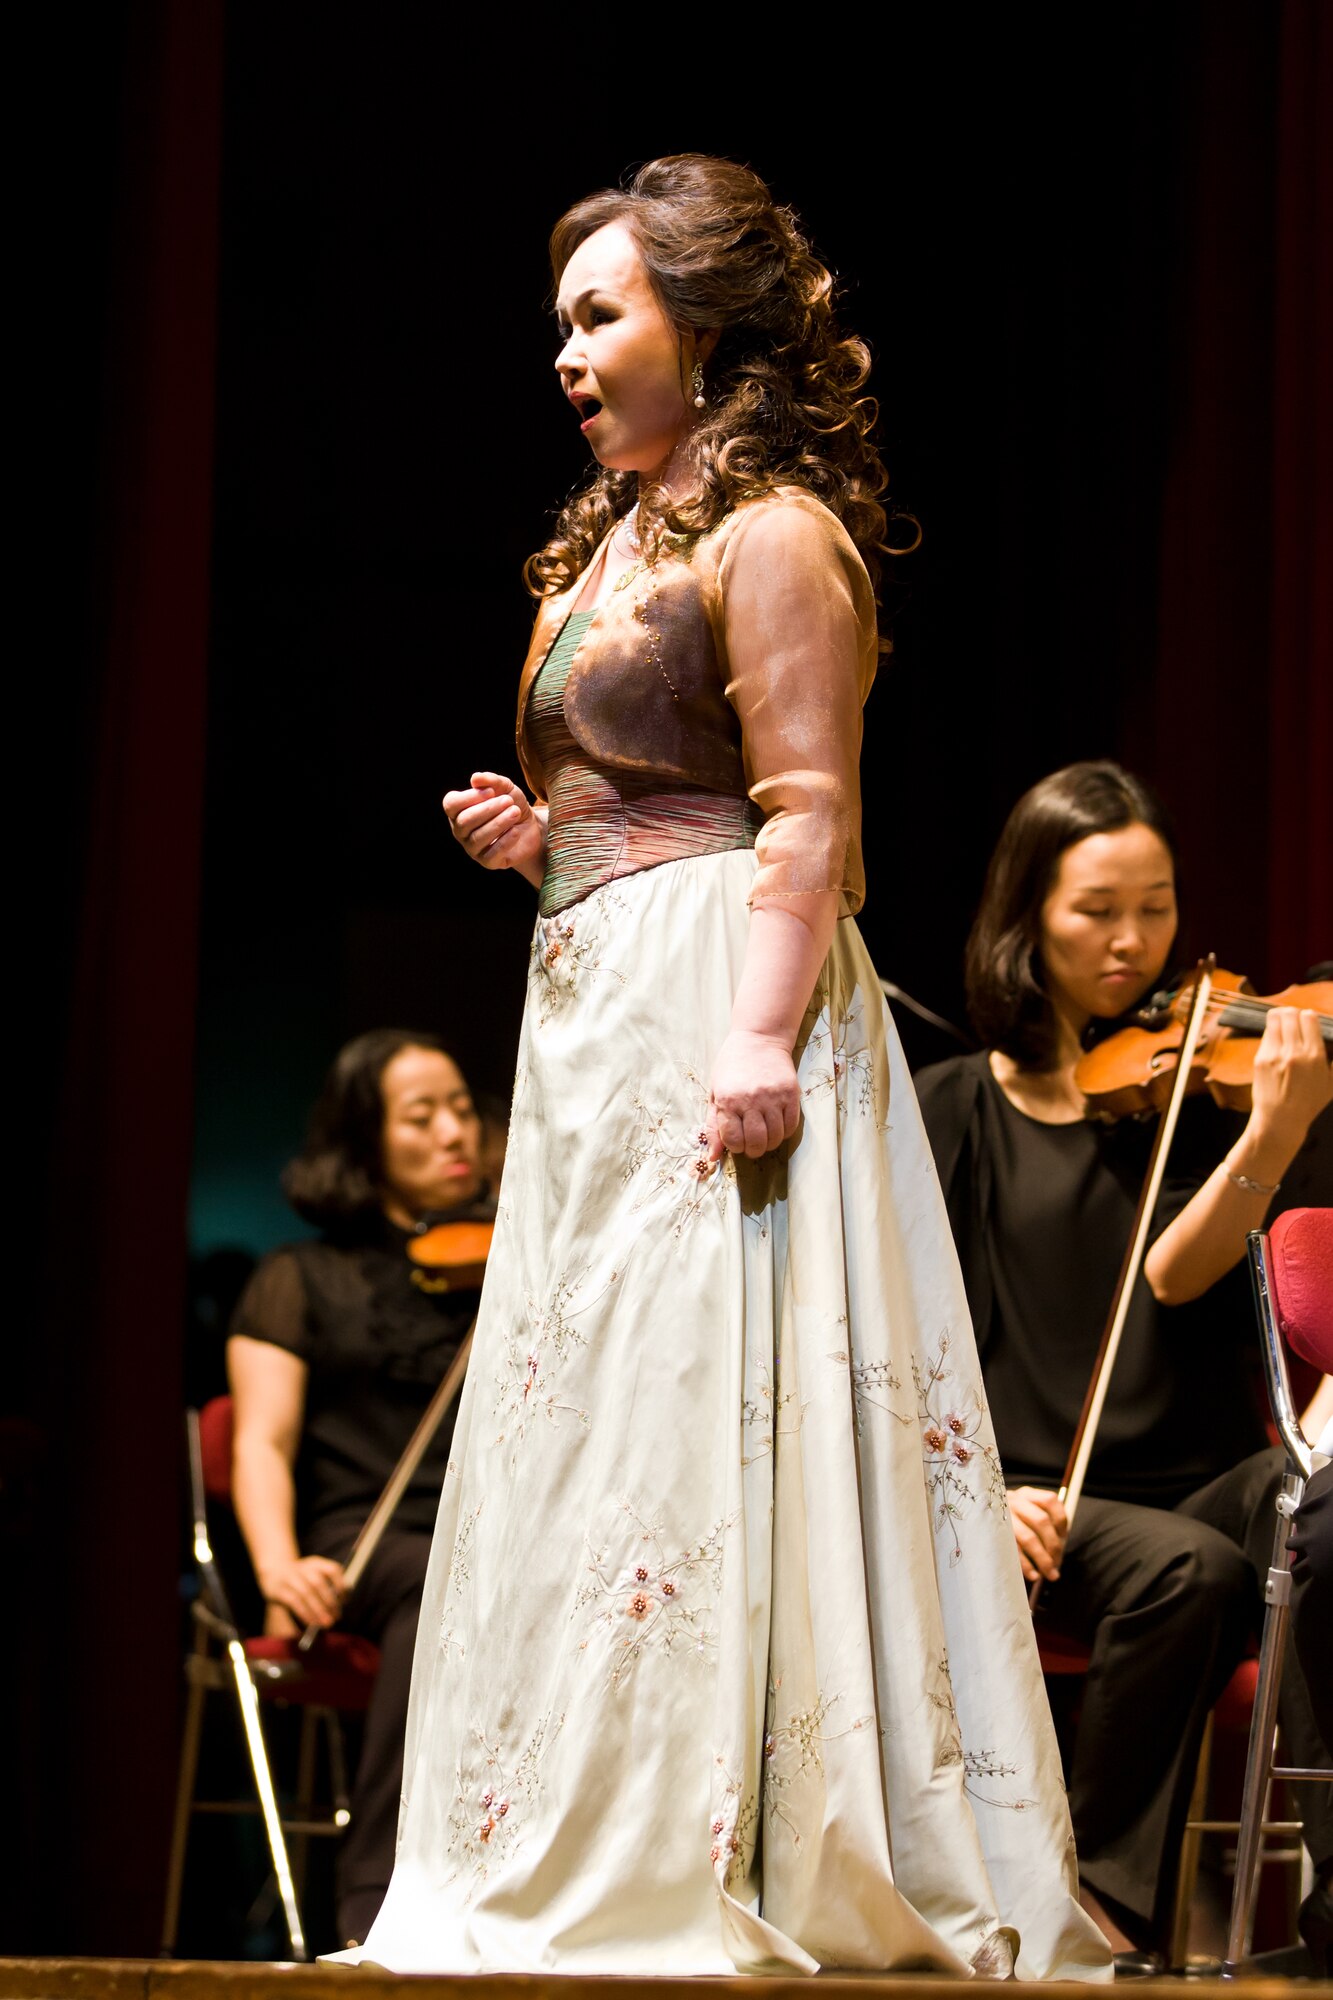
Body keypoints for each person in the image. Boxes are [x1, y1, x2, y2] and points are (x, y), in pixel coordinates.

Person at [334, 156, 1107, 1980]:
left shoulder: (772, 535)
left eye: (602, 316)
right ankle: (568, 1822)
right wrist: (546, 843)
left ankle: (717, 1838)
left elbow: (804, 812)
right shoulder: (616, 539)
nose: (570, 355)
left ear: (711, 328)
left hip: (709, 1017)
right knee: (598, 1418)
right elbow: (652, 803)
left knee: (704, 1402)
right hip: (597, 1013)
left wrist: (756, 1031)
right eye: (562, 326)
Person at [913, 761, 1333, 1963]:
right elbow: (903, 1335)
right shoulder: (952, 1111)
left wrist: (1273, 1130)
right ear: (1024, 912)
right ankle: (1094, 1896)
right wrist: (972, 1492)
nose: (1132, 940)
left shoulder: (1210, 1093)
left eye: (1154, 906)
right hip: (1041, 1495)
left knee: (1309, 1507)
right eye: (1096, 907)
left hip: (1195, 1480)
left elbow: (1179, 1269)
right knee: (1189, 1571)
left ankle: (1329, 1908)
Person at [228, 1029, 489, 1945]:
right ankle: (372, 1911)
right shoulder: (299, 1279)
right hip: (367, 1546)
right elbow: (261, 1442)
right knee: (436, 1579)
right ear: (363, 1137)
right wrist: (278, 1565)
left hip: (496, 1534)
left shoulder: (512, 1265)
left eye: (462, 1108)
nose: (456, 1132)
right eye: (422, 1116)